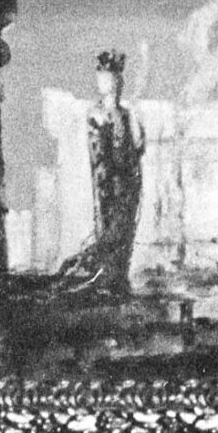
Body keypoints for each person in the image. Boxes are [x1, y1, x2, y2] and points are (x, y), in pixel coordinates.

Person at [56, 51, 145, 297]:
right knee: (107, 228)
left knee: (125, 230)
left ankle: (118, 279)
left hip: (127, 181)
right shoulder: (95, 113)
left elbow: (138, 145)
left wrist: (133, 120)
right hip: (106, 181)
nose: (106, 83)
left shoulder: (126, 114)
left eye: (110, 78)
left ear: (118, 81)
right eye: (102, 77)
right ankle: (107, 279)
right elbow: (99, 154)